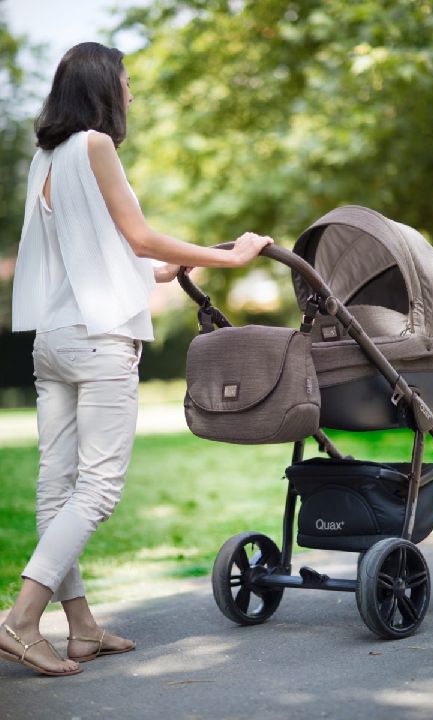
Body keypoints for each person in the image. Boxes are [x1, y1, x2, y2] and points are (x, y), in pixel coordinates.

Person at [0, 42, 273, 677]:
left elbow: (88, 257)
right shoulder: (96, 145)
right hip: (100, 343)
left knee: (56, 488)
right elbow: (140, 236)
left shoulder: (46, 157)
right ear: (102, 86)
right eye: (126, 81)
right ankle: (20, 620)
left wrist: (156, 272)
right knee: (96, 489)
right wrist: (230, 256)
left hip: (54, 341)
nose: (131, 92)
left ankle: (82, 628)